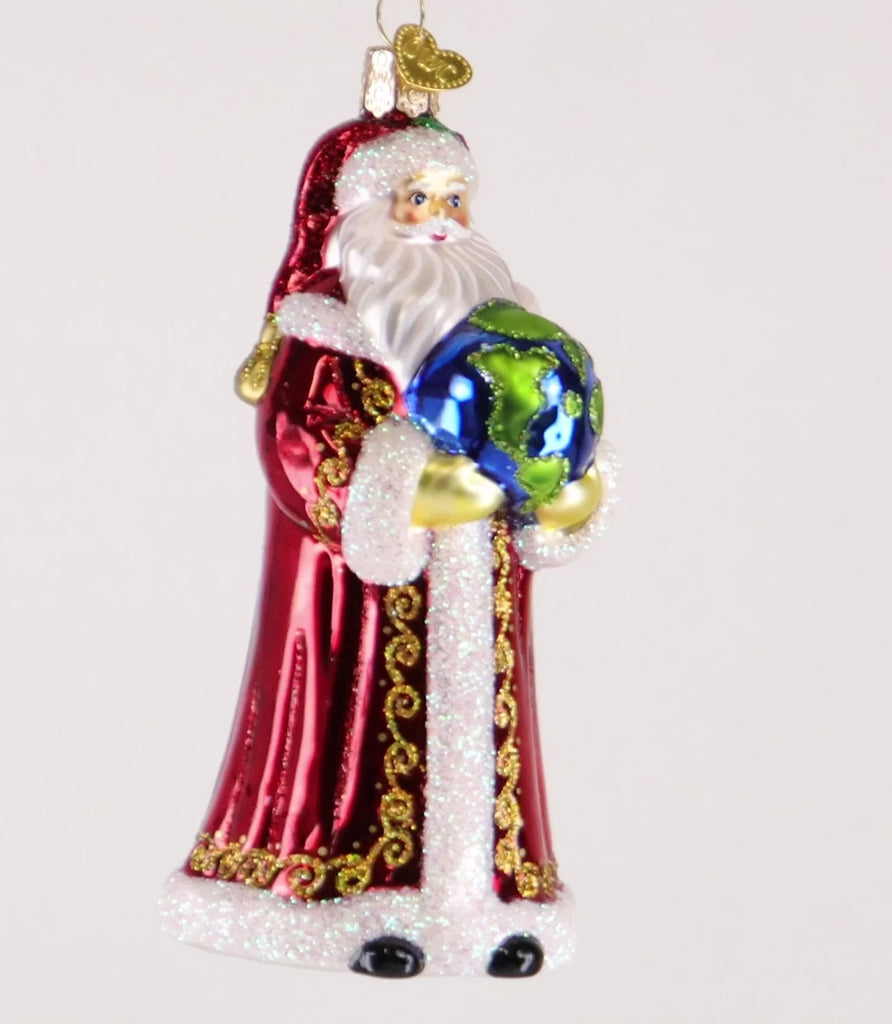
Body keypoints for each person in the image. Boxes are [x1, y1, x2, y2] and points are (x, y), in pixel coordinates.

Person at [160, 109, 616, 978]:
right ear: (365, 212)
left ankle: (494, 904)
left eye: (455, 200)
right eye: (417, 198)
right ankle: (350, 901)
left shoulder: (505, 326)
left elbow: (543, 424)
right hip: (360, 596)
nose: (440, 220)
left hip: (479, 583)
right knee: (359, 738)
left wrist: (564, 487)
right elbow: (300, 447)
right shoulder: (329, 332)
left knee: (484, 733)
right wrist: (411, 485)